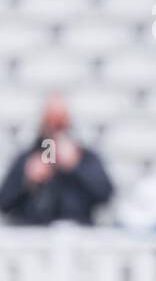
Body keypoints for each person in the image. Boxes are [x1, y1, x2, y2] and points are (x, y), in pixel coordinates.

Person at [0, 94, 114, 226]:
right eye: (52, 119)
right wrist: (27, 179)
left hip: (77, 233)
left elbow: (106, 194)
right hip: (34, 233)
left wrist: (75, 167)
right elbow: (4, 202)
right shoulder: (28, 158)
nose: (56, 125)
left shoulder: (85, 157)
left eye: (61, 120)